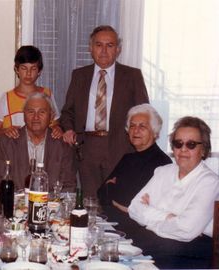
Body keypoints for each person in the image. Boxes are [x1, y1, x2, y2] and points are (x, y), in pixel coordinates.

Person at [60, 25, 149, 196]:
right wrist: (69, 129)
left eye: (110, 45)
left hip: (121, 147)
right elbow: (67, 112)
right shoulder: (79, 76)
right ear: (90, 48)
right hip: (87, 148)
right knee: (90, 201)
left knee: (117, 199)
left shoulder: (132, 76)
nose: (103, 51)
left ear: (118, 49)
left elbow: (144, 113)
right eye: (99, 45)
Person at [128, 116, 219, 268]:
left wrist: (150, 220)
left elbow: (186, 230)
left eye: (191, 144)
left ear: (203, 150)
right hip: (157, 245)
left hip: (189, 253)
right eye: (178, 144)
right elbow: (134, 208)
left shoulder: (210, 182)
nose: (183, 149)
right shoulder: (163, 172)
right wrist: (169, 217)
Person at [97, 104, 172, 231]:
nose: (136, 130)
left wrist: (111, 189)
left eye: (142, 126)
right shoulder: (127, 158)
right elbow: (101, 193)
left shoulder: (162, 163)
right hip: (112, 224)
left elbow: (131, 203)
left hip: (138, 230)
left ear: (155, 132)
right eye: (132, 126)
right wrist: (113, 193)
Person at [0, 92, 76, 192]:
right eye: (31, 112)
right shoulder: (7, 142)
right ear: (24, 115)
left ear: (51, 116)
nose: (36, 117)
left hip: (51, 205)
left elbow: (69, 186)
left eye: (42, 112)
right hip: (16, 204)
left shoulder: (62, 144)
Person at [0, 45, 62, 140]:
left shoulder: (47, 94)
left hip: (42, 151)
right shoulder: (7, 98)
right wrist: (6, 131)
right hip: (15, 151)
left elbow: (56, 124)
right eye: (24, 68)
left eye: (33, 68)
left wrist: (57, 129)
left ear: (39, 71)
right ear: (16, 70)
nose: (28, 73)